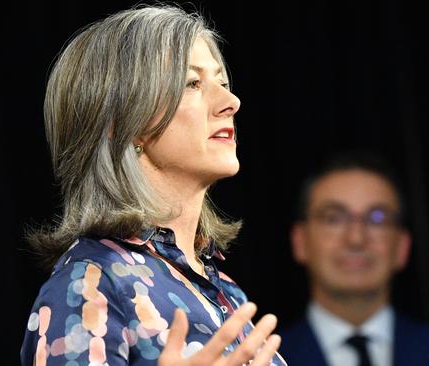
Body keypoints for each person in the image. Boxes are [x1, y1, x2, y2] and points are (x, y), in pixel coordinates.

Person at [20, 4, 286, 366]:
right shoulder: (89, 286)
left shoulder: (226, 292)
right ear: (121, 124)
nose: (231, 102)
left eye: (222, 83)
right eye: (192, 83)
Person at [278, 150, 429, 366]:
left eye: (377, 218)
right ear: (300, 241)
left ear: (402, 246)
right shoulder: (262, 359)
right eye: (334, 218)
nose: (356, 239)